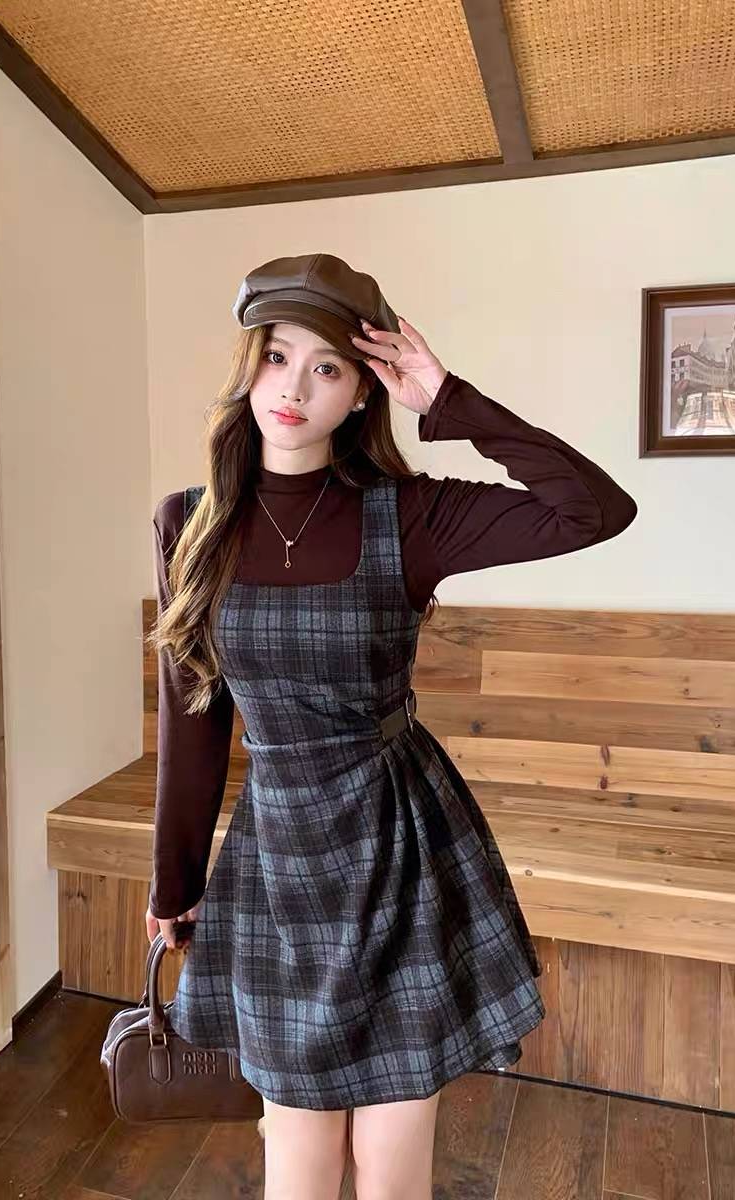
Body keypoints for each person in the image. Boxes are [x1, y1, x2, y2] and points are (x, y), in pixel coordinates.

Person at [144, 252, 638, 1199]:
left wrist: (447, 399)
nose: (293, 388)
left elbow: (597, 510)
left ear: (362, 390)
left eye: (326, 367)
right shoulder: (188, 523)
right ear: (248, 363)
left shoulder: (410, 515)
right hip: (279, 860)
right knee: (297, 1156)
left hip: (401, 848)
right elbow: (193, 715)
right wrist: (175, 880)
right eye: (277, 356)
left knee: (392, 1161)